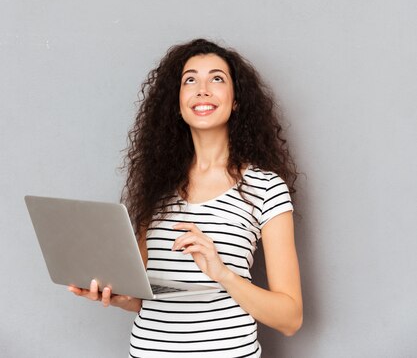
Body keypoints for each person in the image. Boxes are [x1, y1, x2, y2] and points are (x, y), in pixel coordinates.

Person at [68, 38, 303, 357]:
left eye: (217, 78)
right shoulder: (155, 187)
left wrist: (222, 273)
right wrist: (115, 295)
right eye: (190, 79)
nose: (202, 89)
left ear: (236, 101)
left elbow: (290, 318)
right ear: (178, 103)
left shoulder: (265, 187)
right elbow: (142, 295)